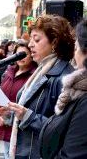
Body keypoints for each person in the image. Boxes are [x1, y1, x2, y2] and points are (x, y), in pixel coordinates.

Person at [0, 15, 75, 158]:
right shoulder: (42, 70)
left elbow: (63, 130)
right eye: (30, 39)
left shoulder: (64, 78)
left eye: (36, 39)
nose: (30, 44)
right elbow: (28, 114)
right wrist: (8, 114)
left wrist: (27, 116)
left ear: (54, 42)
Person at [39, 19, 87, 158]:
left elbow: (74, 153)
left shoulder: (83, 99)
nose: (74, 53)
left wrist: (27, 117)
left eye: (77, 48)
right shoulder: (77, 88)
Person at [0, 40, 37, 159]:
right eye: (18, 54)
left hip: (21, 125)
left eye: (25, 54)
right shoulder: (9, 71)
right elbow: (1, 95)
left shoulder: (34, 75)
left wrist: (8, 116)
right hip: (5, 122)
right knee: (7, 154)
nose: (21, 58)